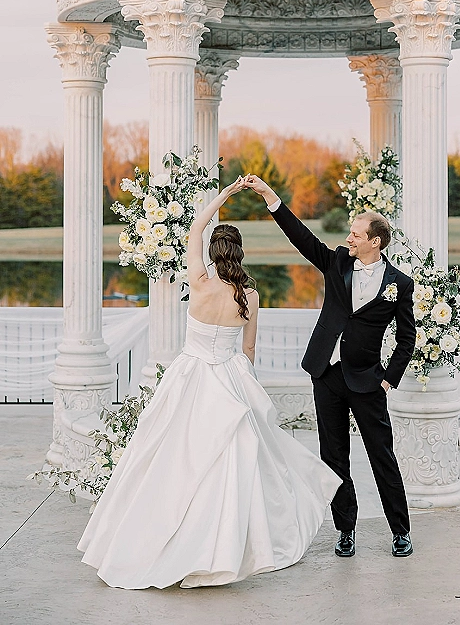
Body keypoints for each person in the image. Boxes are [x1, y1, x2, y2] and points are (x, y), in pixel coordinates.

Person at [78, 177, 340, 589]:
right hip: (230, 376)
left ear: (214, 253)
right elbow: (248, 353)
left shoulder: (199, 281)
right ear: (239, 253)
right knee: (234, 462)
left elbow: (193, 230)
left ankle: (163, 540)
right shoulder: (249, 295)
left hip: (191, 375)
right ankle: (224, 547)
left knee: (172, 456)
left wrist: (225, 196)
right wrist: (241, 384)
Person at [245, 174, 416, 559]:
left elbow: (407, 339)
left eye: (357, 233)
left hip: (368, 381)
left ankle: (400, 531)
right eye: (351, 232)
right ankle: (346, 530)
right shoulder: (337, 261)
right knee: (333, 457)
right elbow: (301, 237)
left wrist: (388, 380)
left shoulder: (399, 285)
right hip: (327, 373)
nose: (350, 237)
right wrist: (270, 196)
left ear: (376, 241)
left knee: (381, 456)